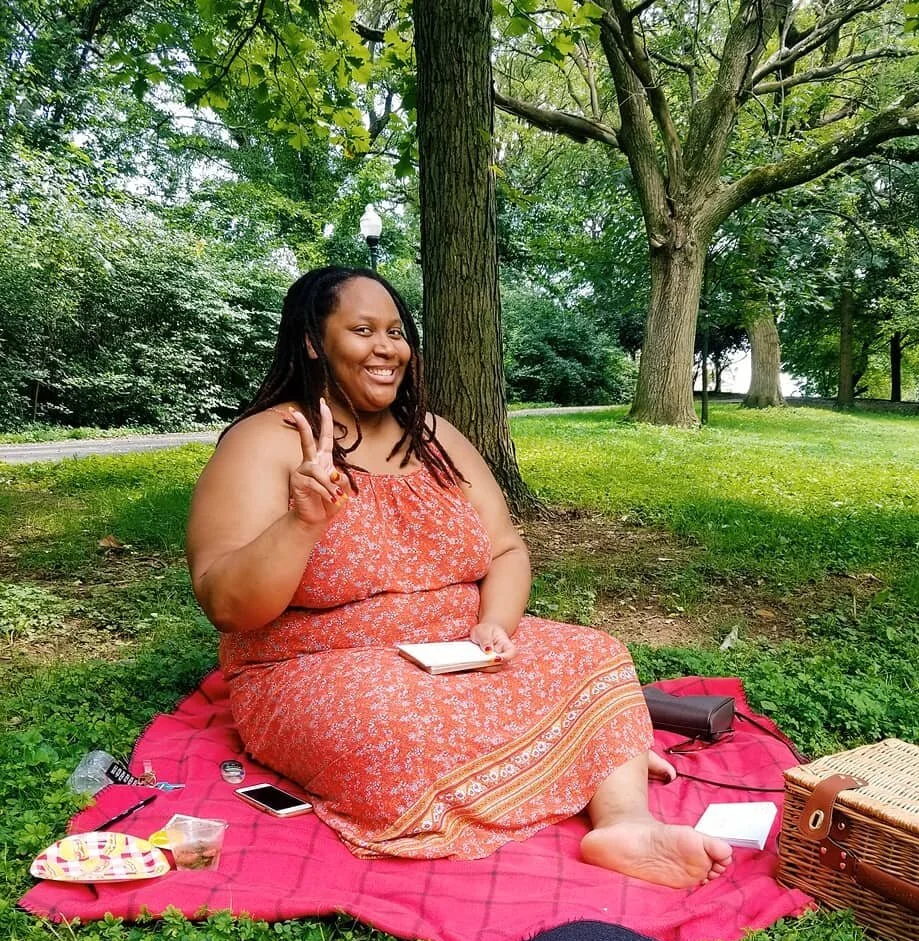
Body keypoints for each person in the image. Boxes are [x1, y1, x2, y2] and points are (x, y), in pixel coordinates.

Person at [186, 267, 732, 888]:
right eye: (362, 330)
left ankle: (625, 822)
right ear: (314, 341)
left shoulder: (435, 437)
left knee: (593, 655)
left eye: (395, 331)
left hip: (458, 649)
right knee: (397, 730)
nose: (387, 347)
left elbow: (505, 550)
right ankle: (584, 758)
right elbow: (226, 604)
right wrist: (303, 523)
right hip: (319, 661)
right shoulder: (266, 440)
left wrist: (494, 625)